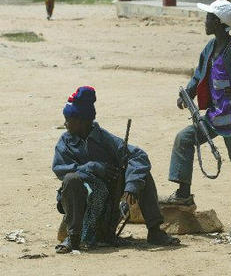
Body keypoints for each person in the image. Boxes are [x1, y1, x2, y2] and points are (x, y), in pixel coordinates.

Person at [162, 0, 231, 238]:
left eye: (210, 17)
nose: (206, 21)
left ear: (220, 24)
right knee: (184, 139)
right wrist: (188, 94)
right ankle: (183, 194)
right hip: (213, 116)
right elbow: (198, 75)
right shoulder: (210, 48)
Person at [52, 86, 180, 254]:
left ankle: (155, 231)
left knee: (142, 175)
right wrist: (91, 168)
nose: (65, 123)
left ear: (82, 121)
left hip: (109, 204)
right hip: (78, 204)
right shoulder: (65, 142)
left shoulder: (104, 139)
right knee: (71, 179)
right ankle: (73, 236)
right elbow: (59, 168)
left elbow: (138, 156)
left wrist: (132, 185)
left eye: (69, 119)